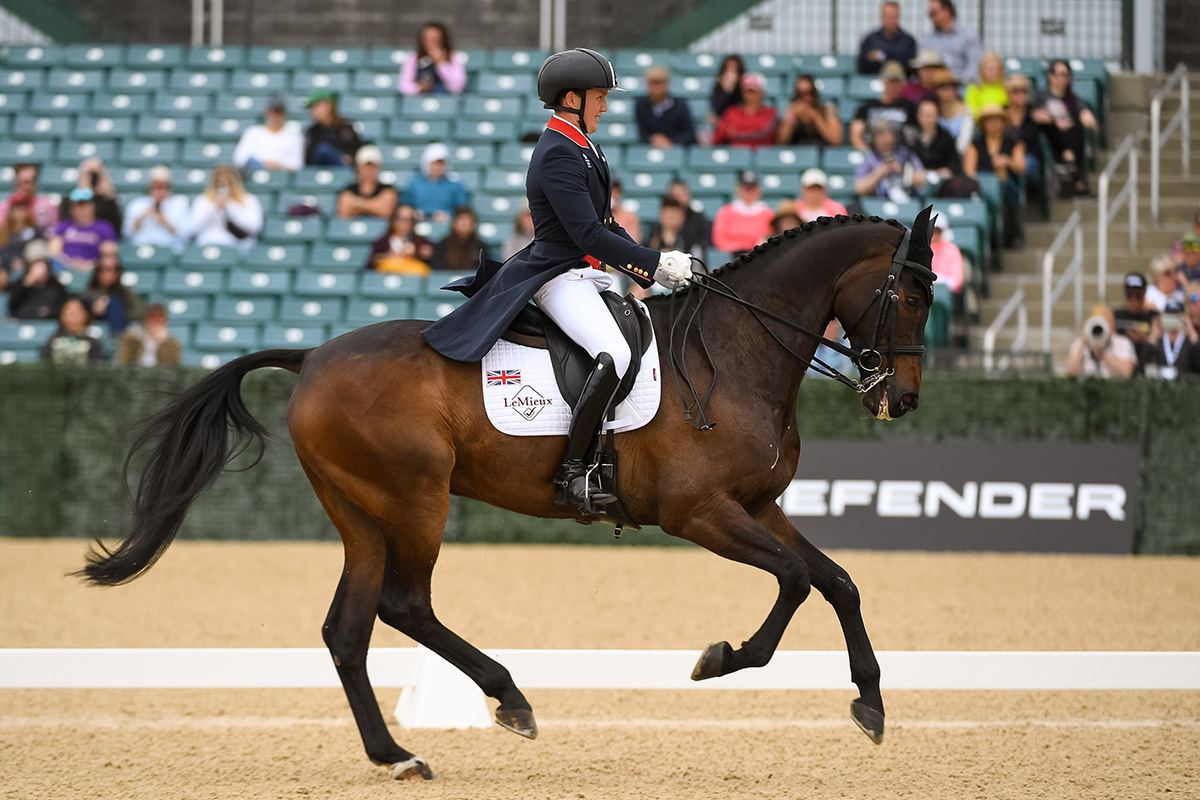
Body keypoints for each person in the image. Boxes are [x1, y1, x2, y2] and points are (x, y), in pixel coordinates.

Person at [421, 48, 693, 514]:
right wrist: (650, 262)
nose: (605, 106)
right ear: (572, 98)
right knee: (616, 352)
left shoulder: (584, 145)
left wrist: (651, 265)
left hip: (588, 275)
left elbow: (605, 223)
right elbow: (585, 233)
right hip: (559, 276)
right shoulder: (557, 153)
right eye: (600, 97)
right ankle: (574, 472)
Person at [1031, 59, 1096, 198]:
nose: (1061, 79)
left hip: (1071, 138)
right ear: (1051, 76)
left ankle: (1069, 160)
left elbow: (1089, 120)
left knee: (1076, 125)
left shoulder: (1074, 100)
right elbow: (1035, 115)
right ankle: (1077, 178)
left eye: (1065, 75)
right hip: (1051, 139)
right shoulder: (1041, 97)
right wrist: (1055, 121)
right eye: (1058, 74)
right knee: (1050, 124)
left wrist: (1084, 115)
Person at [962, 103, 1024, 245]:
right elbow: (969, 172)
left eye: (998, 120)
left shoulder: (1013, 143)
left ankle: (1009, 233)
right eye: (991, 120)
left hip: (1008, 187)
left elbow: (1021, 167)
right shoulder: (975, 145)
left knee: (1005, 190)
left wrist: (1008, 162)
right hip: (982, 186)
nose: (995, 124)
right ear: (984, 124)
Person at [187, 165, 263, 249]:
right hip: (207, 244)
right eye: (219, 183)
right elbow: (194, 228)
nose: (224, 186)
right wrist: (213, 207)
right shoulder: (203, 200)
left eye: (229, 182)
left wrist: (230, 207)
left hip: (238, 245)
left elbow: (254, 227)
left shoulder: (249, 200)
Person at [79, 241, 144, 337]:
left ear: (117, 272)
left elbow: (140, 311)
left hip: (118, 330)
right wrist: (93, 309)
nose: (106, 273)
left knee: (114, 302)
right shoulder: (88, 292)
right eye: (102, 269)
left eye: (111, 269)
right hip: (90, 333)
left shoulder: (125, 292)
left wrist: (115, 311)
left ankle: (116, 340)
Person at [849, 60, 917, 151]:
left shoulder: (911, 108)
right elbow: (856, 135)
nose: (893, 86)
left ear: (903, 83)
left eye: (897, 81)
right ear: (882, 81)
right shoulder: (866, 107)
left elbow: (913, 137)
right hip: (873, 155)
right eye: (890, 81)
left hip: (900, 155)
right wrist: (870, 157)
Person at [854, 118, 926, 201]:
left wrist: (902, 170)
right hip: (878, 202)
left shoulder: (904, 154)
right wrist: (879, 172)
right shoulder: (870, 158)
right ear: (874, 141)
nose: (886, 147)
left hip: (907, 200)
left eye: (889, 143)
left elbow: (922, 178)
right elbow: (859, 188)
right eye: (882, 144)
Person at [122, 165, 190, 251]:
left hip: (168, 249)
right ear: (150, 188)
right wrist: (140, 218)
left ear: (169, 188)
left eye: (162, 187)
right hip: (141, 248)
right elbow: (126, 233)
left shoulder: (179, 206)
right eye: (155, 187)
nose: (158, 192)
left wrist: (166, 222)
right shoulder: (137, 205)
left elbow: (186, 235)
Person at [48, 188, 118, 271]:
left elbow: (109, 252)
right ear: (72, 209)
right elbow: (53, 251)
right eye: (78, 206)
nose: (82, 210)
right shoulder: (63, 226)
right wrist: (71, 264)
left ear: (93, 206)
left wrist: (90, 265)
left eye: (85, 205)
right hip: (66, 269)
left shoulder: (104, 227)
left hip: (94, 271)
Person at [232, 95, 305, 173]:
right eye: (273, 112)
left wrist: (276, 166)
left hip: (280, 177)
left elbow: (297, 165)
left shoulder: (294, 136)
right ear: (266, 112)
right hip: (253, 174)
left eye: (279, 113)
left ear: (285, 114)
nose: (276, 116)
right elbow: (239, 159)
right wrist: (263, 164)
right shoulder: (253, 132)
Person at [400, 142, 470, 223]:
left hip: (447, 226)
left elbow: (462, 210)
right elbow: (405, 206)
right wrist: (413, 213)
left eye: (440, 164)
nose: (437, 167)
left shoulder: (455, 184)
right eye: (434, 163)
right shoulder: (415, 182)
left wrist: (449, 215)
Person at [1065, 304, 1137, 378]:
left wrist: (1103, 353)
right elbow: (1071, 372)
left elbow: (1125, 374)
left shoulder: (1123, 343)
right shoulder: (1080, 342)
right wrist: (1083, 341)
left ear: (1113, 324)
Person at [711, 171, 774, 255]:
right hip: (731, 256)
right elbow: (719, 239)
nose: (748, 192)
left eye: (752, 189)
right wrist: (736, 247)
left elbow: (769, 236)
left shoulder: (768, 213)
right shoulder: (725, 211)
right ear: (738, 189)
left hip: (758, 255)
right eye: (745, 189)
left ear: (758, 190)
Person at [919, 0, 981, 85]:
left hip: (964, 87)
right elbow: (923, 69)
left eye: (934, 13)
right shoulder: (925, 40)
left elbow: (974, 65)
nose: (931, 17)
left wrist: (958, 83)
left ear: (948, 11)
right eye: (930, 14)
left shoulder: (969, 35)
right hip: (935, 88)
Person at [635, 65, 697, 147]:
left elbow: (690, 135)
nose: (656, 88)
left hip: (677, 150)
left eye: (660, 83)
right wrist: (653, 139)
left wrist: (670, 142)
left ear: (667, 83)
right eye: (653, 83)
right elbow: (642, 134)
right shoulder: (641, 105)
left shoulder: (681, 105)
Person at [398, 22, 467, 96]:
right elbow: (403, 86)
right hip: (420, 101)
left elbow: (457, 86)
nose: (430, 42)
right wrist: (419, 88)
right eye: (427, 38)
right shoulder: (413, 58)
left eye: (434, 38)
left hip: (446, 101)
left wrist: (441, 63)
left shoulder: (453, 57)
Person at [712, 73, 778, 149]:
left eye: (754, 91)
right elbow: (717, 138)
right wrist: (725, 133)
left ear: (762, 93)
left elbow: (763, 134)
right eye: (747, 91)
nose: (750, 95)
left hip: (763, 157)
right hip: (736, 156)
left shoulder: (770, 113)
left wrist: (736, 134)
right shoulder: (732, 112)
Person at [60, 159, 123, 236]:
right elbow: (66, 222)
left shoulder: (108, 200)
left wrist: (108, 197)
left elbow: (115, 229)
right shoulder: (70, 196)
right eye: (89, 173)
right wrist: (82, 193)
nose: (93, 177)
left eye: (97, 174)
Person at [776, 74, 843, 147]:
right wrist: (792, 116)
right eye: (800, 94)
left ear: (815, 93)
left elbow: (836, 141)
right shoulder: (791, 112)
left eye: (810, 92)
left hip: (822, 154)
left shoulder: (827, 110)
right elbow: (781, 141)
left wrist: (815, 116)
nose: (806, 98)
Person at [1111, 272, 1159, 370]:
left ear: (1145, 293)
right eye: (1129, 295)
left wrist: (1147, 340)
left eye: (1138, 295)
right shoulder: (1115, 316)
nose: (1134, 300)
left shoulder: (1154, 317)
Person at [368, 203, 434, 273]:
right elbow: (371, 266)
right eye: (405, 219)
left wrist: (421, 254)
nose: (409, 223)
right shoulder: (381, 243)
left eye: (412, 219)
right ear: (394, 221)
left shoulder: (421, 242)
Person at [337, 145, 398, 220]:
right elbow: (343, 213)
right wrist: (375, 206)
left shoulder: (387, 189)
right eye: (365, 166)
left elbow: (386, 211)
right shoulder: (348, 189)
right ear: (358, 167)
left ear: (378, 167)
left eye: (372, 166)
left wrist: (357, 203)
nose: (368, 170)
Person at [304, 90, 362, 167]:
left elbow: (357, 153)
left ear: (328, 105)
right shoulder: (312, 132)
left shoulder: (346, 129)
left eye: (315, 107)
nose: (312, 112)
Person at [858, 1, 918, 76]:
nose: (892, 21)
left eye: (894, 17)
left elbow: (911, 66)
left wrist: (882, 56)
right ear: (882, 17)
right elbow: (862, 67)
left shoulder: (908, 41)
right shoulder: (871, 40)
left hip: (901, 82)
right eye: (889, 17)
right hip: (877, 80)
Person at [1145, 298, 1200, 379]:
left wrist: (1192, 333)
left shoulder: (1189, 341)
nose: (1172, 319)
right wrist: (1152, 337)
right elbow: (1144, 365)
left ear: (1184, 318)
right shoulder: (1159, 340)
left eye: (1176, 316)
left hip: (1185, 386)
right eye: (1169, 316)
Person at [8, 246, 67, 320]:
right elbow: (12, 306)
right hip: (23, 320)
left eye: (43, 267)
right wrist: (26, 283)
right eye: (36, 267)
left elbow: (60, 307)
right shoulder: (21, 284)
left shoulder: (56, 286)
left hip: (48, 321)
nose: (40, 271)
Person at [41, 297, 104, 365]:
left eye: (77, 311)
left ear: (86, 314)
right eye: (68, 311)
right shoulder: (53, 340)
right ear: (61, 315)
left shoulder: (93, 343)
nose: (72, 314)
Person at [116, 302, 183, 367]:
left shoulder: (172, 343)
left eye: (161, 316)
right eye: (152, 316)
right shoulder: (132, 339)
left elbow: (172, 367)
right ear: (145, 319)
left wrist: (163, 342)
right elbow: (124, 363)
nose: (157, 320)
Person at [0, 192, 44, 289]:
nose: (21, 212)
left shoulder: (36, 231)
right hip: (6, 268)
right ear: (11, 211)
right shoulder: (3, 231)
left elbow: (38, 253)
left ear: (29, 211)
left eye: (24, 209)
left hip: (27, 269)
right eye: (17, 209)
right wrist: (10, 261)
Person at [907, 98, 960, 178]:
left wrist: (947, 170)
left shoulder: (946, 137)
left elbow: (954, 164)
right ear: (918, 116)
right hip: (916, 178)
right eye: (926, 115)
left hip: (940, 180)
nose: (928, 120)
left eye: (932, 115)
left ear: (938, 117)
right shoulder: (910, 137)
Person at [430, 206, 490, 272]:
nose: (464, 223)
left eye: (468, 220)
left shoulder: (481, 247)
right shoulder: (442, 245)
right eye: (461, 219)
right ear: (454, 223)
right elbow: (438, 270)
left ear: (473, 225)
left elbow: (484, 270)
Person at [1005, 74, 1042, 179]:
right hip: (1005, 154)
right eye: (1016, 91)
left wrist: (1050, 121)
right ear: (1008, 92)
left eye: (1024, 91)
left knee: (1024, 164)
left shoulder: (1034, 113)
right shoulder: (1001, 113)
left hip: (1029, 155)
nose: (1021, 94)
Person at [0, 163, 59, 230]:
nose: (29, 186)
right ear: (17, 182)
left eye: (33, 181)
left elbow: (54, 228)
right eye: (25, 182)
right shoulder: (5, 205)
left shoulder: (48, 204)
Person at [934, 68, 974, 155]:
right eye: (943, 87)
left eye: (952, 87)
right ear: (936, 90)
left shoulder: (966, 110)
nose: (949, 91)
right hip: (936, 156)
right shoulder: (934, 110)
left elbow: (964, 142)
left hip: (959, 156)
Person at [667, 178, 712, 250]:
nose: (679, 200)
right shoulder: (664, 221)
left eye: (682, 195)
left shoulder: (698, 219)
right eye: (676, 196)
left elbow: (704, 244)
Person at [965, 50, 1008, 119]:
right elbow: (973, 113)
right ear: (982, 69)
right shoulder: (973, 89)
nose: (994, 72)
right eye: (990, 69)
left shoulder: (1007, 87)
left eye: (997, 69)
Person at [929, 213, 963, 295]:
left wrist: (941, 282)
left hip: (946, 294)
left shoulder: (952, 249)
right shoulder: (920, 249)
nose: (934, 234)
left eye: (937, 231)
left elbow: (957, 279)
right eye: (932, 230)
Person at [710, 54, 745, 121]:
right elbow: (718, 112)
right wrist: (727, 91)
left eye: (732, 71)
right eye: (726, 71)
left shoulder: (744, 91)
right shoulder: (717, 90)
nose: (728, 75)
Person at [610, 178, 642, 244]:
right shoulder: (596, 215)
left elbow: (635, 241)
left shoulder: (629, 217)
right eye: (611, 192)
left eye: (616, 192)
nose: (613, 195)